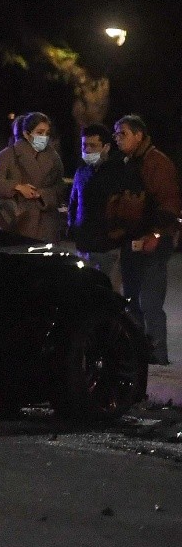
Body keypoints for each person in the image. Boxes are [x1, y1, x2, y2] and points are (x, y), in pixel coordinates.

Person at [114, 115, 179, 365]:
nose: (118, 139)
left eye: (123, 134)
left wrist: (156, 234)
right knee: (132, 303)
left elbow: (169, 203)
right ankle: (137, 356)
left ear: (139, 135)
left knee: (150, 303)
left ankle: (157, 358)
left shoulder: (157, 163)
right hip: (131, 242)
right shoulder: (129, 162)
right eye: (116, 135)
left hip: (152, 242)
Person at [0, 112, 65, 241]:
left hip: (47, 228)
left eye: (47, 133)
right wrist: (18, 187)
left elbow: (60, 189)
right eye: (40, 132)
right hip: (19, 224)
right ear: (27, 134)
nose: (44, 137)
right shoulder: (9, 155)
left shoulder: (53, 158)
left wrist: (41, 194)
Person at [67, 123, 130, 290]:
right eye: (84, 145)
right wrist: (73, 227)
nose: (87, 150)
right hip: (85, 244)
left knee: (108, 291)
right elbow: (74, 202)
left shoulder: (118, 172)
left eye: (92, 145)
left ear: (106, 147)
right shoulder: (82, 171)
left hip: (108, 246)